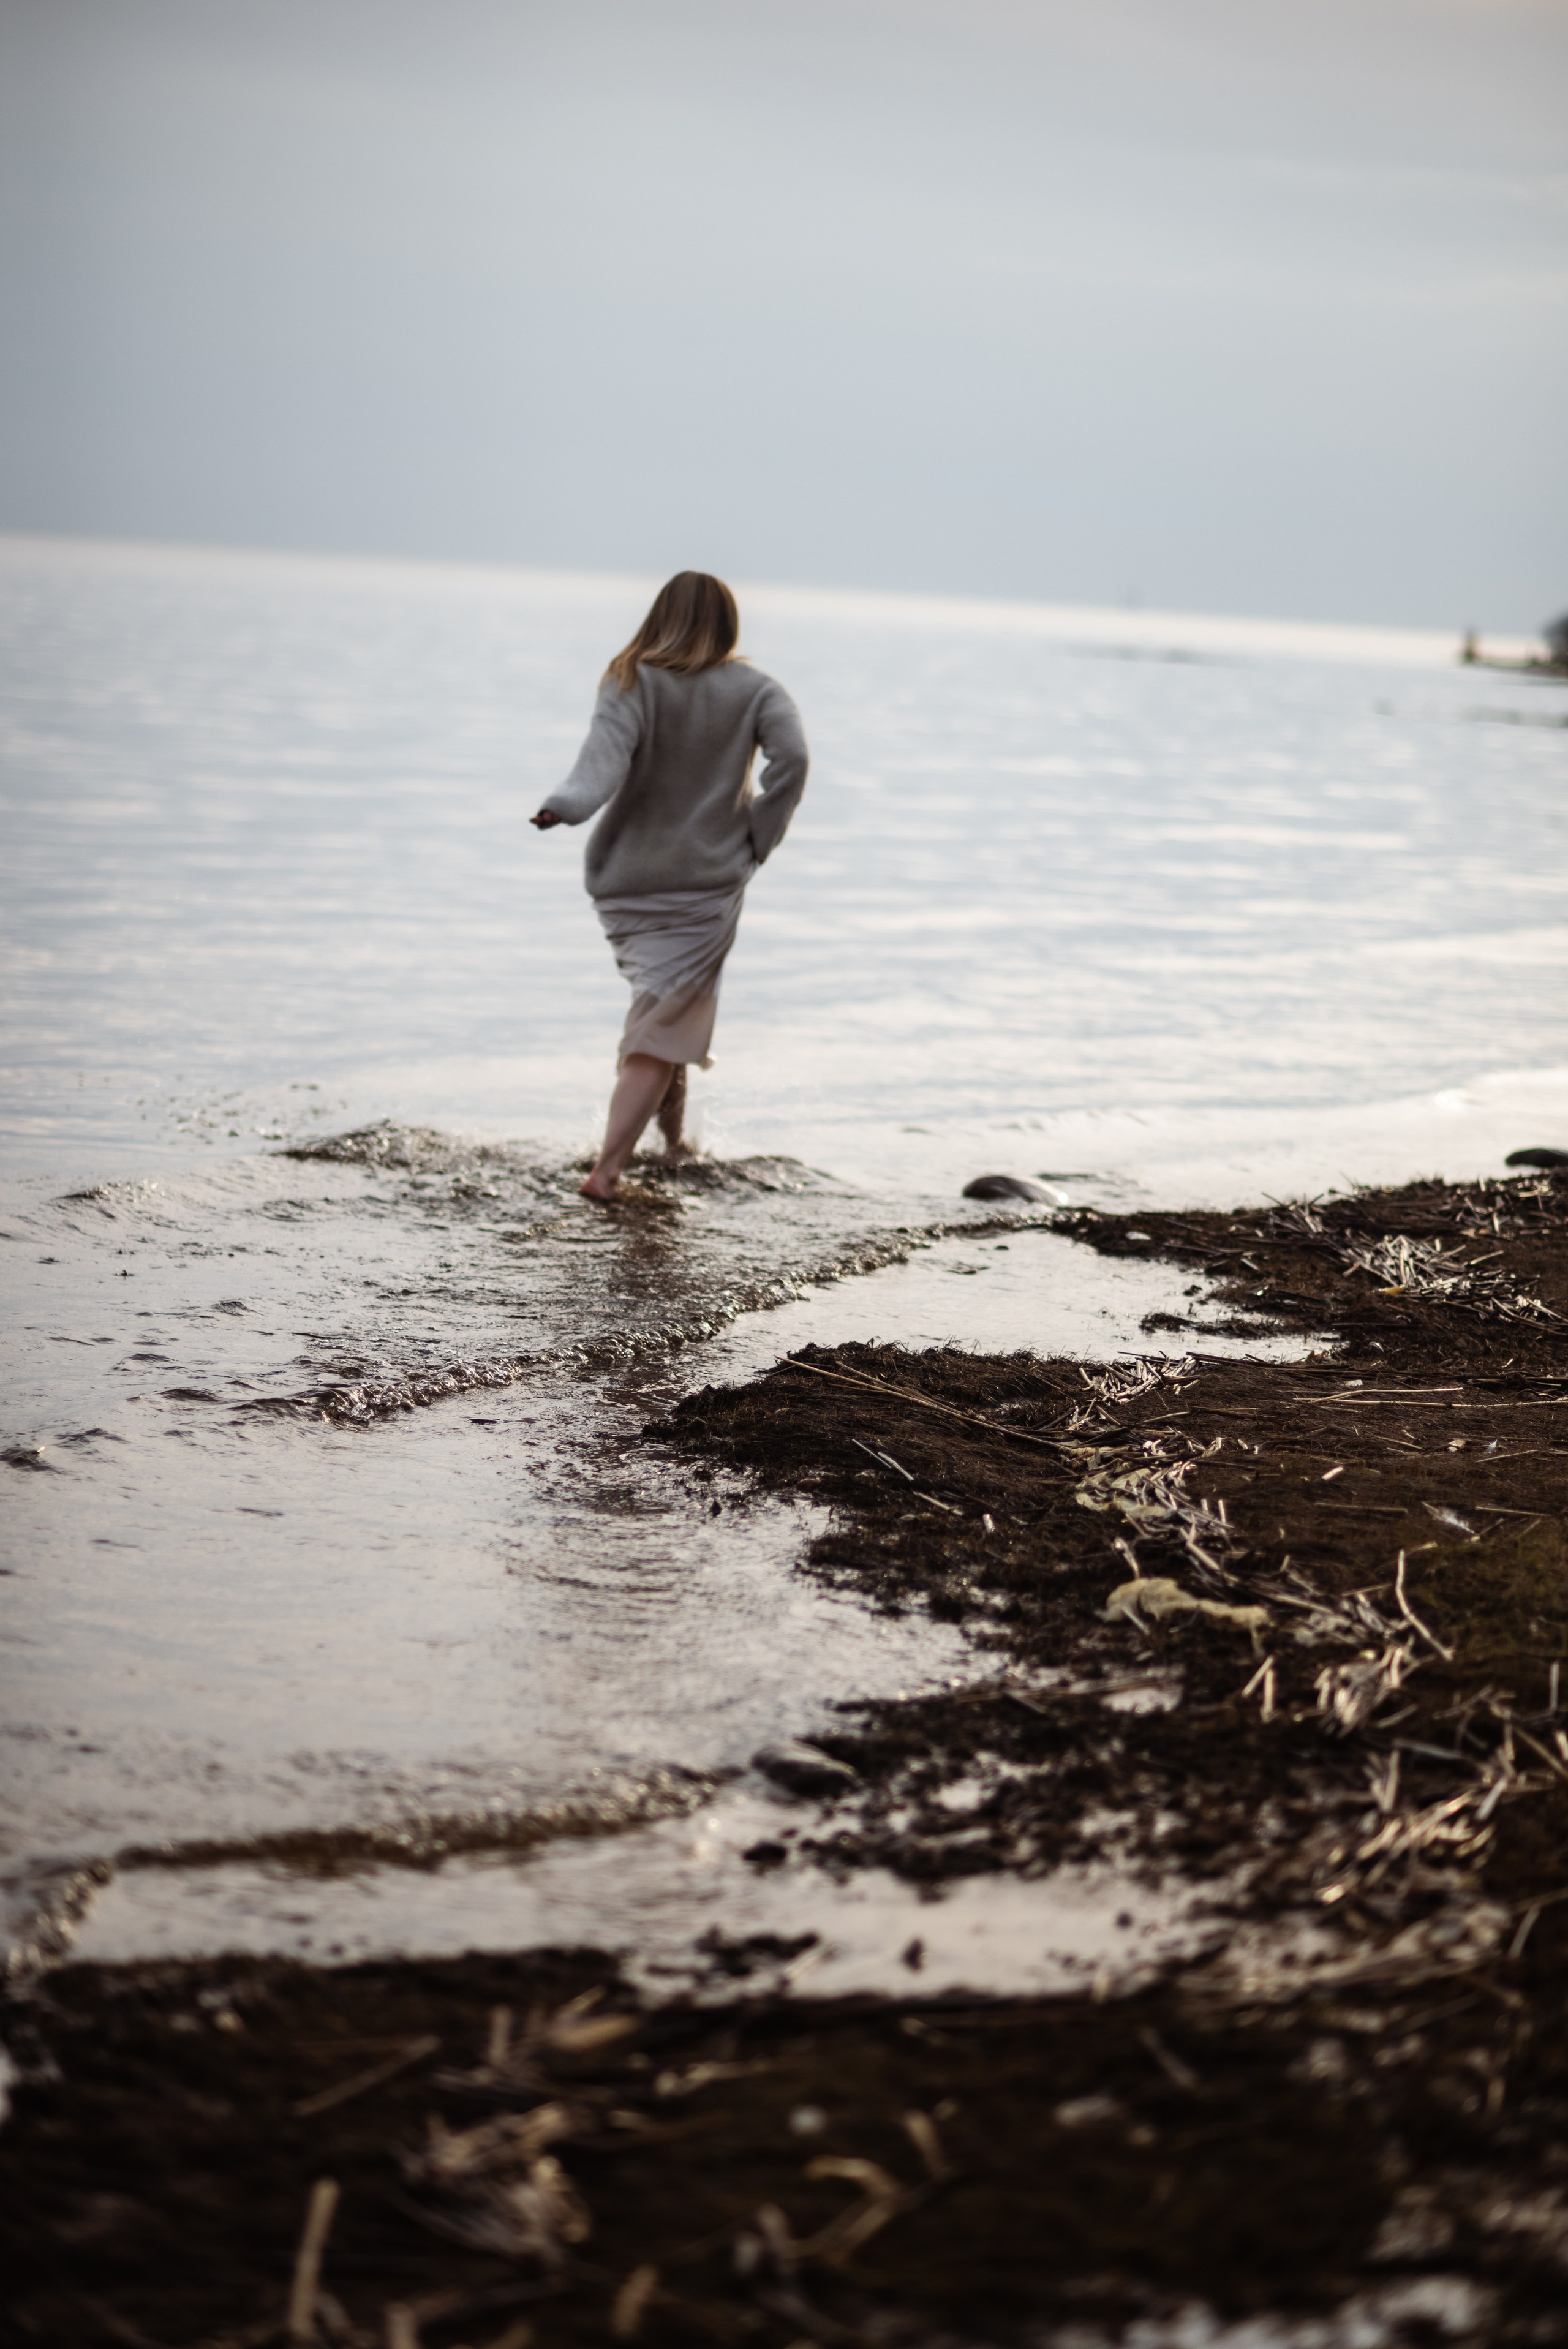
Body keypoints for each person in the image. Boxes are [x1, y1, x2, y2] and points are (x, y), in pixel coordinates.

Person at [532, 571, 810, 1199]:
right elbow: (793, 761)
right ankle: (606, 1172)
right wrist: (756, 837)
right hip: (705, 887)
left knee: (665, 1012)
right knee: (664, 1020)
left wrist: (564, 806)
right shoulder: (757, 689)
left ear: (661, 616)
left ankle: (672, 1148)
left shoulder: (632, 676)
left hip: (627, 884)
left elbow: (601, 760)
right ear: (728, 621)